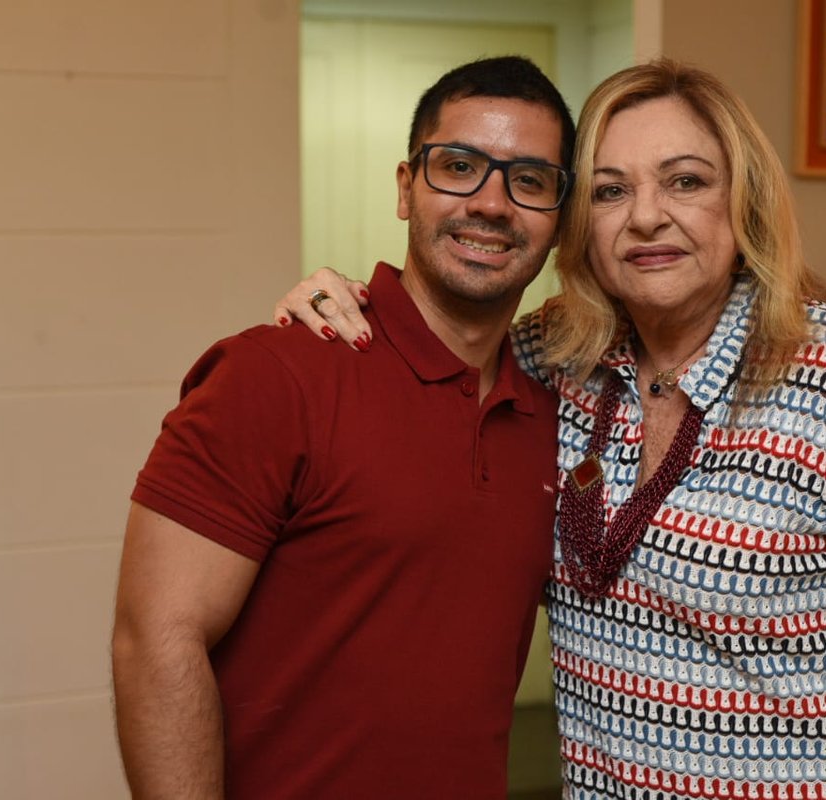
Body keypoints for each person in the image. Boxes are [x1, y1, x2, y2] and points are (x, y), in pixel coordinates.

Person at [277, 59, 826, 800]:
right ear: (580, 222)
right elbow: (438, 349)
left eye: (685, 181)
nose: (647, 216)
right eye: (612, 191)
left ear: (741, 201)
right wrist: (341, 300)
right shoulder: (555, 357)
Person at [110, 55, 576, 799]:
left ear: (561, 216)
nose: (491, 203)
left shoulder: (559, 409)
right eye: (459, 166)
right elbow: (156, 641)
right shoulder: (278, 374)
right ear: (405, 188)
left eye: (529, 180)